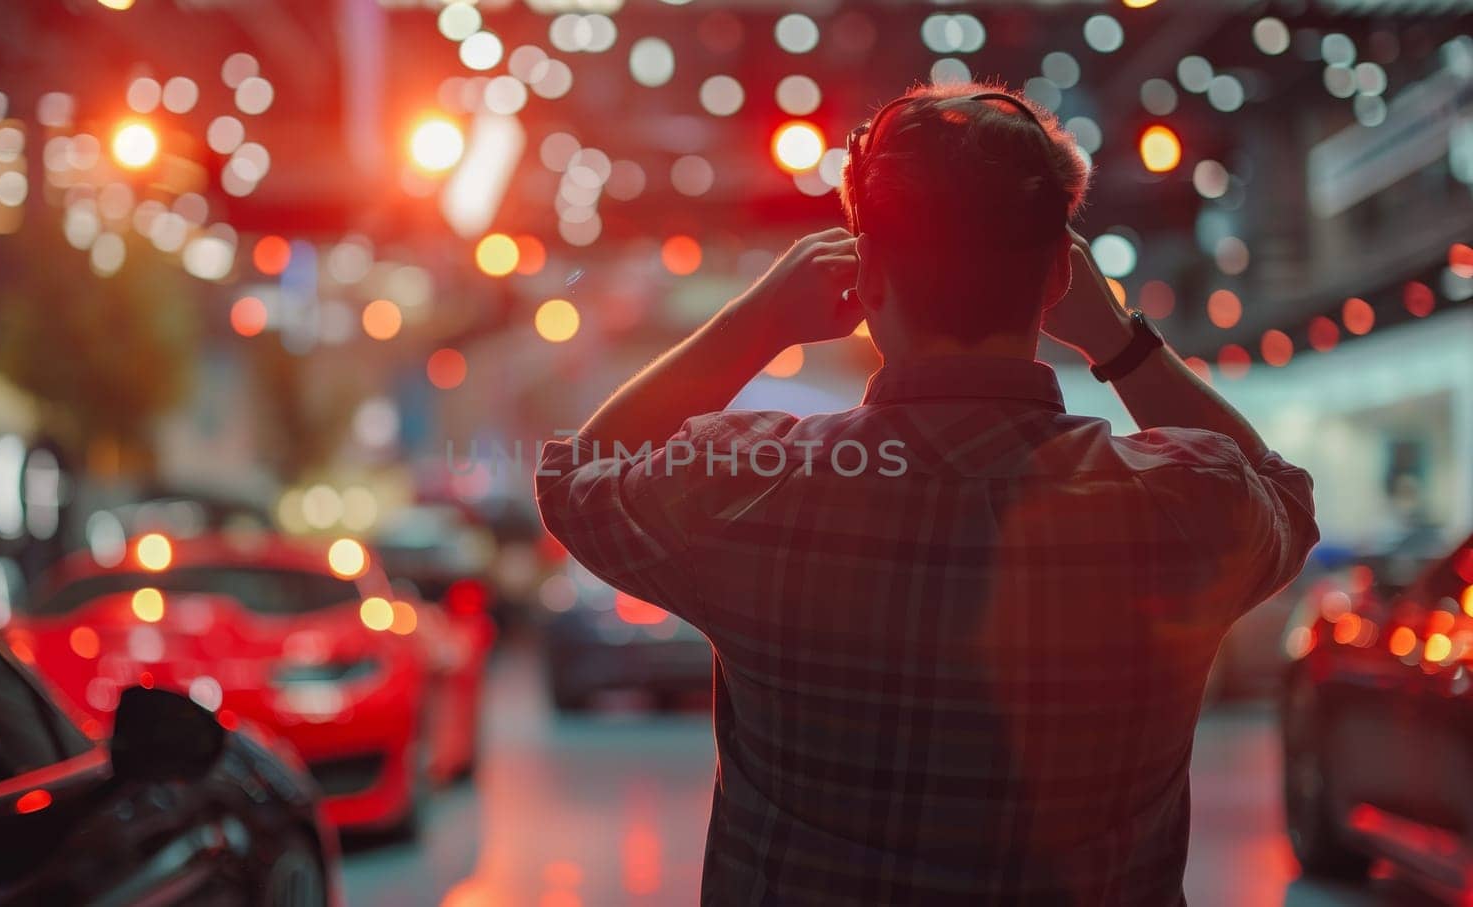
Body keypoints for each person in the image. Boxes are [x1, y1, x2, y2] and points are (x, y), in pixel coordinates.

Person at [534, 81, 1318, 906]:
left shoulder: (750, 487)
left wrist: (755, 320)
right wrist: (1118, 339)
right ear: (1060, 274)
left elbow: (575, 473)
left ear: (867, 276)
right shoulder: (1183, 504)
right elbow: (1284, 497)